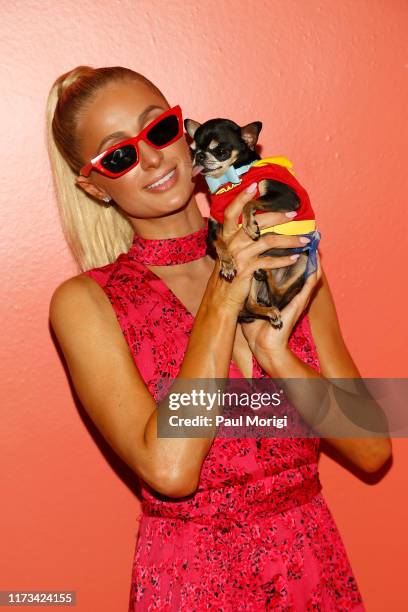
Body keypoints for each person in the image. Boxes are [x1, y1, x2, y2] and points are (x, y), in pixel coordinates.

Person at [46, 65, 391, 611]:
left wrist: (277, 356)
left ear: (184, 131)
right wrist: (225, 290)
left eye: (159, 130)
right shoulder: (88, 303)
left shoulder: (282, 252)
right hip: (195, 583)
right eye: (120, 155)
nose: (155, 158)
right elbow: (171, 470)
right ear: (95, 186)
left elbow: (373, 450)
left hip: (313, 573)